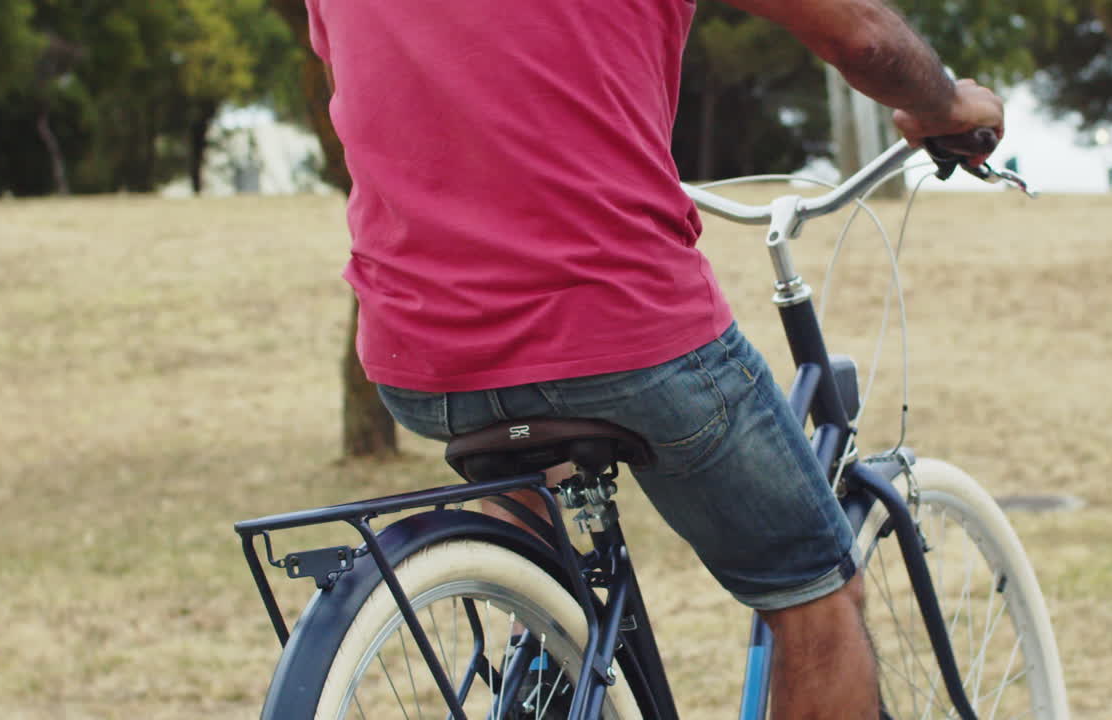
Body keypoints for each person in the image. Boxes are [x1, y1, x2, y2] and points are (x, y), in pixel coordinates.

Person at [301, 0, 1003, 717]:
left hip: (422, 354)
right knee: (816, 594)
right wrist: (947, 104)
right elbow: (860, 36)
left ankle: (538, 626)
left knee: (533, 530)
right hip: (626, 333)